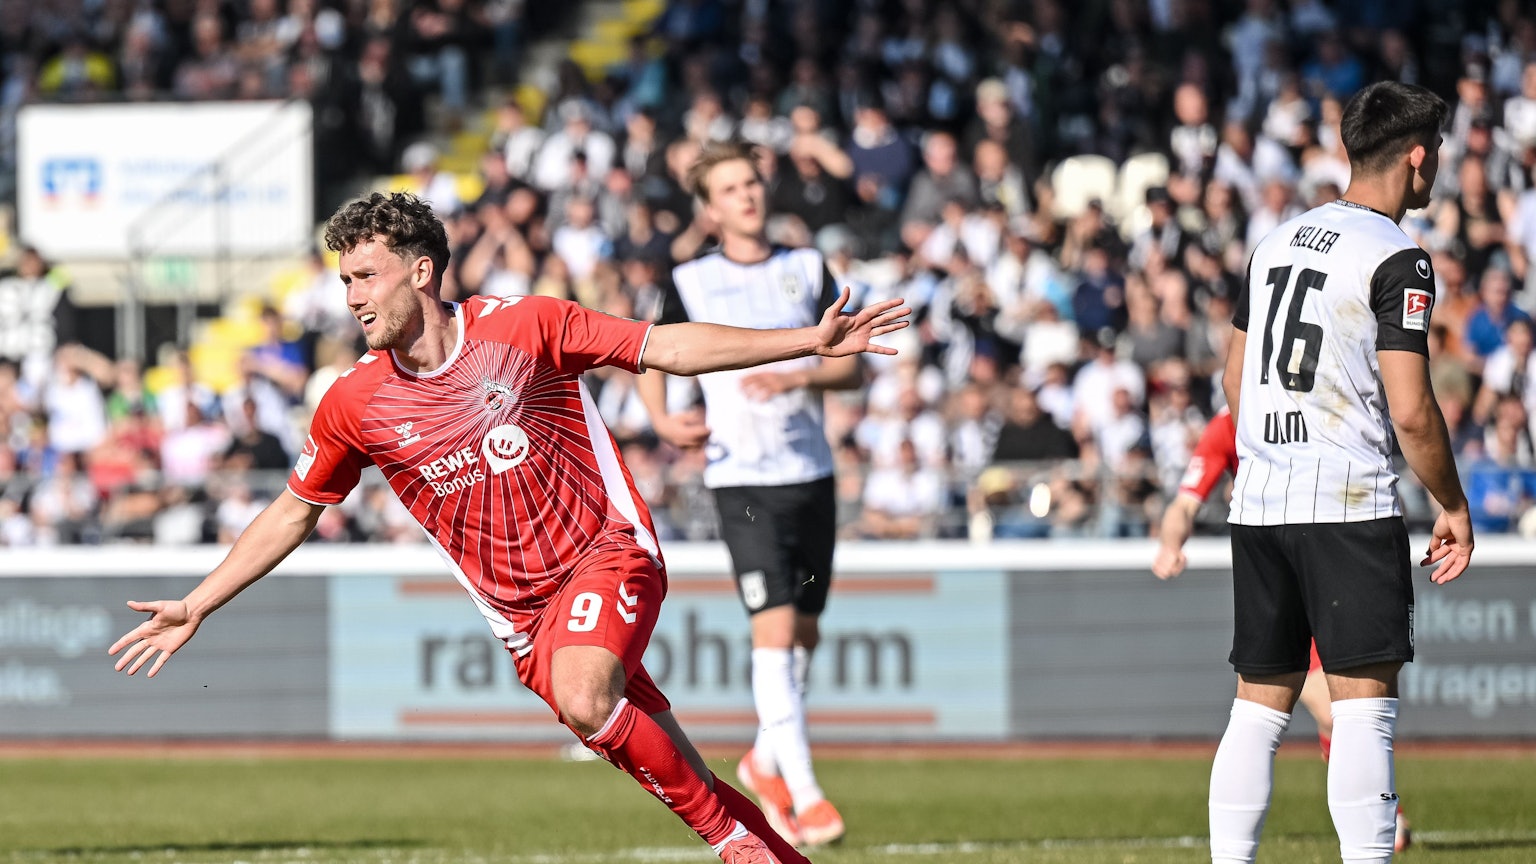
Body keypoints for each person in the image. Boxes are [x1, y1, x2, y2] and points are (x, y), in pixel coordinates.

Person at [107, 192, 910, 864]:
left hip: (608, 553)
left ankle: (732, 843)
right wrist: (200, 601)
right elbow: (294, 508)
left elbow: (662, 347)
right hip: (524, 622)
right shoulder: (354, 402)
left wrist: (807, 341)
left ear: (420, 272)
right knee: (676, 761)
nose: (349, 295)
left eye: (364, 276)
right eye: (342, 278)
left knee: (587, 695)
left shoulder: (524, 326)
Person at [1208, 81, 1474, 864]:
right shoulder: (1399, 259)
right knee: (1363, 710)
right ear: (1418, 158)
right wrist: (1452, 504)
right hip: (1347, 500)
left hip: (1260, 500)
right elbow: (1414, 410)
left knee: (1256, 710)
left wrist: (1262, 452)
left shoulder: (1275, 241)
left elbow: (1233, 377)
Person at [637, 140, 852, 848]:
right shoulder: (692, 280)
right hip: (741, 478)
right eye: (731, 188)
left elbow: (850, 367)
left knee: (806, 634)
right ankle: (808, 791)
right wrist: (665, 416)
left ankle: (764, 758)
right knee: (777, 628)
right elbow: (648, 351)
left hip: (810, 473)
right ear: (709, 208)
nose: (748, 196)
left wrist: (799, 376)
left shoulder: (806, 266)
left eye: (752, 182)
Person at [1151, 408, 1411, 852]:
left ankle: (1375, 822)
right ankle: (1377, 827)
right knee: (1323, 712)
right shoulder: (1229, 423)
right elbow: (1184, 502)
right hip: (1290, 561)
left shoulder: (1304, 400)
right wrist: (1170, 543)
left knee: (1303, 714)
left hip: (1321, 549)